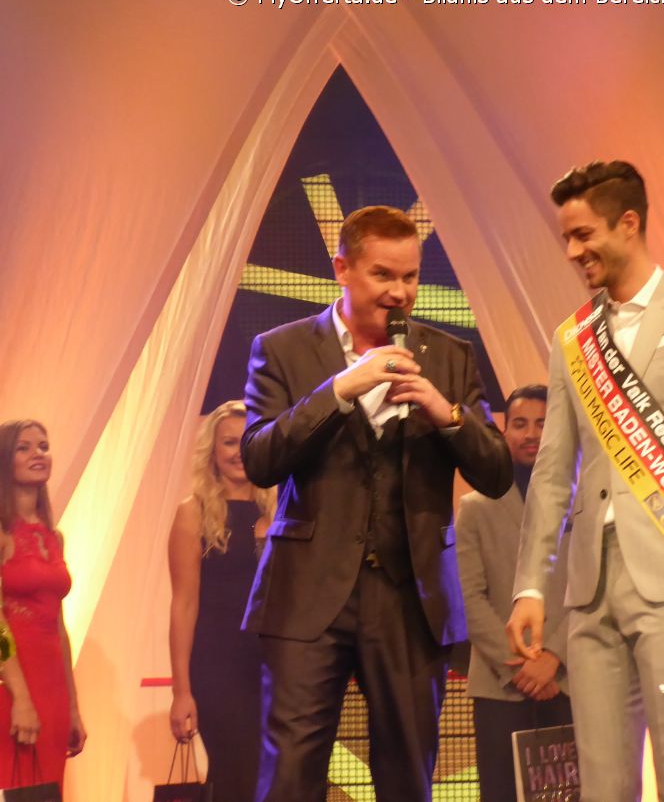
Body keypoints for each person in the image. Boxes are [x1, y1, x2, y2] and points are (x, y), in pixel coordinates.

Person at [241, 205, 512, 802]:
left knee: (408, 777)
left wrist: (447, 413)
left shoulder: (449, 355)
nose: (400, 292)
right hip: (307, 597)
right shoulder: (281, 349)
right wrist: (340, 389)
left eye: (410, 277)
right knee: (290, 776)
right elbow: (259, 457)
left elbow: (496, 474)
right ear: (342, 269)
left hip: (410, 599)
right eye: (383, 275)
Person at [507, 160, 664, 801]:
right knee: (601, 782)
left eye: (583, 235)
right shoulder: (573, 338)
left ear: (628, 222)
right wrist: (530, 585)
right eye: (566, 238)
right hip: (591, 589)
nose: (572, 252)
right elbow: (552, 470)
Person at [457, 384, 573, 802]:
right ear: (504, 432)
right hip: (500, 685)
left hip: (570, 681)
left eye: (542, 423)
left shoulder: (583, 503)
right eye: (520, 424)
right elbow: (469, 597)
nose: (531, 434)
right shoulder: (474, 507)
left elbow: (594, 589)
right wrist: (522, 668)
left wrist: (554, 657)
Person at [167, 400, 277, 802]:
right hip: (219, 669)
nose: (239, 451)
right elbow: (184, 604)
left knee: (274, 780)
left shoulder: (281, 510)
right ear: (212, 452)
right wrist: (181, 691)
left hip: (274, 669)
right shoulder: (192, 512)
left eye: (248, 441)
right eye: (229, 442)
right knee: (237, 777)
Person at [0, 420, 86, 791]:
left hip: (53, 688)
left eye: (43, 446)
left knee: (48, 790)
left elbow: (59, 626)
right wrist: (20, 697)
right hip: (12, 682)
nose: (38, 454)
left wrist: (73, 707)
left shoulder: (54, 537)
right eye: (24, 447)